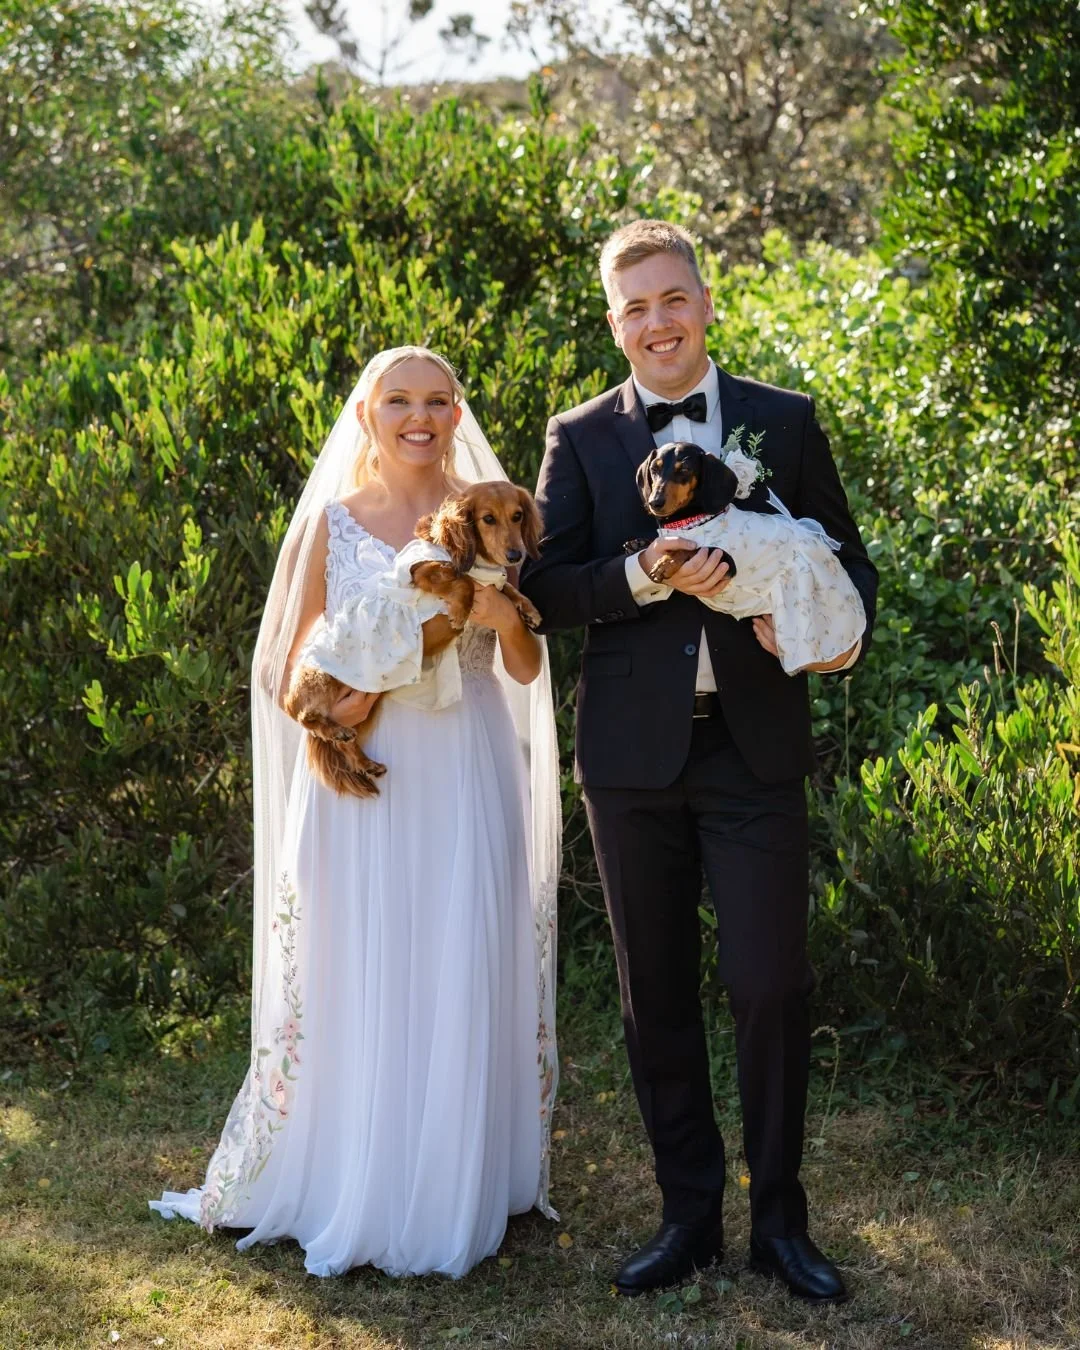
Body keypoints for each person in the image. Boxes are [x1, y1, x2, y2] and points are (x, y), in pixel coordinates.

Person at [520, 221, 877, 1302]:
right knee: (655, 991)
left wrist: (821, 635)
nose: (656, 322)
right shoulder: (577, 436)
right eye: (635, 308)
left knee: (769, 982)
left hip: (755, 748)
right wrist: (641, 576)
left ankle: (781, 1223)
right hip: (631, 759)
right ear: (614, 322)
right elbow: (544, 586)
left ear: (705, 303)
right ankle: (687, 1219)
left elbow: (847, 562)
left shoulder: (784, 418)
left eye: (672, 299)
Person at [150, 346, 560, 1279]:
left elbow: (530, 673)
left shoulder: (495, 515)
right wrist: (343, 716)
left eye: (438, 400)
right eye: (400, 401)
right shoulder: (335, 525)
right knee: (365, 956)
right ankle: (356, 1175)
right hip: (367, 766)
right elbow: (285, 667)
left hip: (466, 763)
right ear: (368, 414)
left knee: (459, 949)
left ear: (459, 411)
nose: (421, 416)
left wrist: (501, 625)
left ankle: (456, 1177)